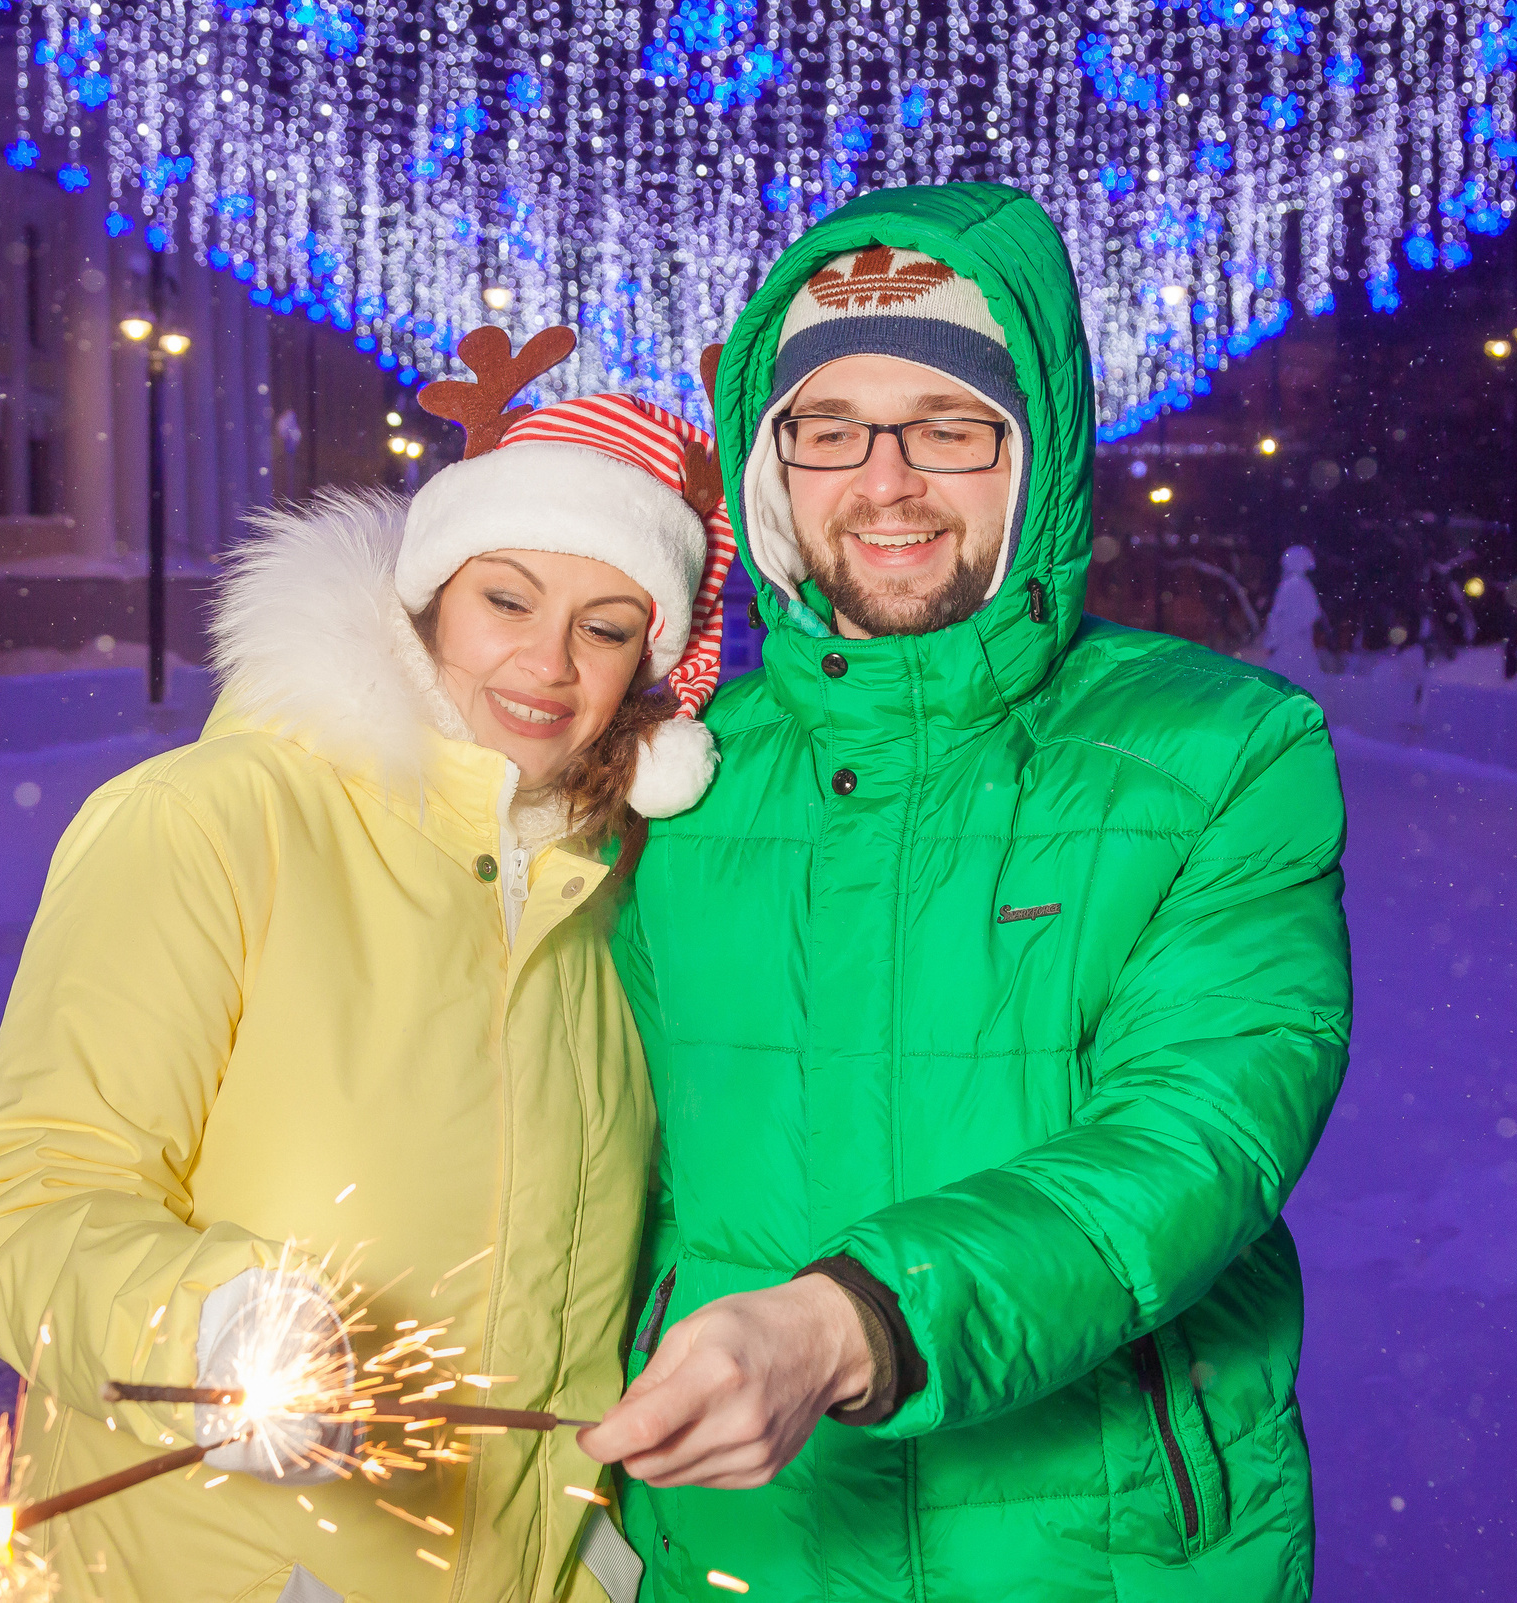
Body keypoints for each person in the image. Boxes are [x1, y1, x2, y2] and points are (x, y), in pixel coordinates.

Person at [579, 184, 1352, 1600]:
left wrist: (857, 1320)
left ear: (1034, 455)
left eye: (948, 426)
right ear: (774, 468)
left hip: (1098, 1542)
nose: (887, 481)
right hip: (749, 1538)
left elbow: (1196, 1134)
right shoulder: (679, 777)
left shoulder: (1224, 751)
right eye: (830, 428)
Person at [0, 383, 733, 1603]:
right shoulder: (213, 823)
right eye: (506, 599)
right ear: (427, 598)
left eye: (608, 624)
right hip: (229, 1568)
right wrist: (207, 1328)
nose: (545, 662)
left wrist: (587, 1550)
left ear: (651, 661)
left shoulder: (616, 891)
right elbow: (25, 1204)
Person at [1256, 543, 1333, 676]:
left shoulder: (1292, 585)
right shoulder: (1302, 585)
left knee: (1283, 684)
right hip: (1300, 646)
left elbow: (1280, 617)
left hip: (1287, 648)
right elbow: (1313, 613)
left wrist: (1273, 640)